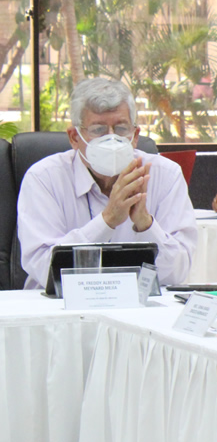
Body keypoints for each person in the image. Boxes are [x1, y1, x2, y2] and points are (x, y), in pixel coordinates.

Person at [17, 77, 197, 288]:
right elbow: (45, 269)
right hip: (60, 310)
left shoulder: (164, 175)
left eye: (121, 129)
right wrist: (107, 221)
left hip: (137, 309)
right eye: (98, 130)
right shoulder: (44, 178)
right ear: (74, 137)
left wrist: (145, 224)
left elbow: (177, 272)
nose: (112, 140)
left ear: (135, 135)